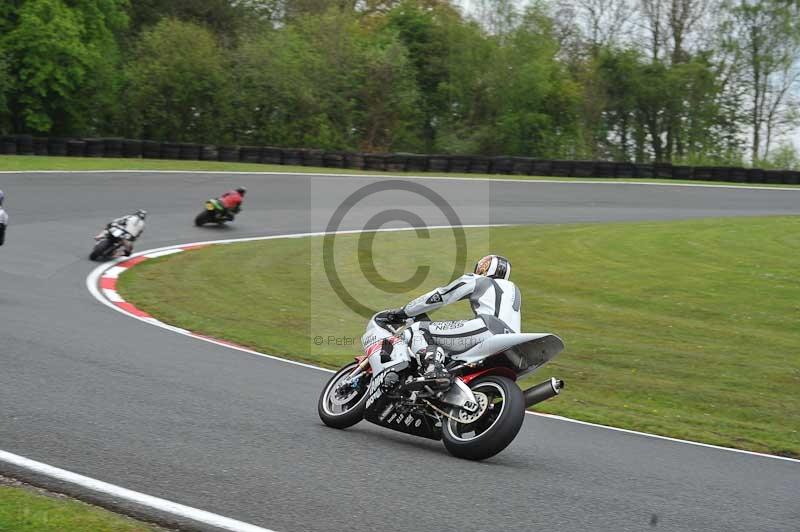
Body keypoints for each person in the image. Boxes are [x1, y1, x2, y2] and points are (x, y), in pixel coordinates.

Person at [376, 255, 520, 385]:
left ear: (485, 268)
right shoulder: (513, 290)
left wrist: (404, 312)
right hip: (513, 340)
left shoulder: (479, 280)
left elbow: (441, 296)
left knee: (418, 329)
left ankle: (433, 368)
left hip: (487, 329)